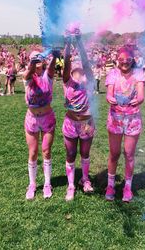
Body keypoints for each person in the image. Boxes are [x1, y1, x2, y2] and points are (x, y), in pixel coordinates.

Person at [105, 47, 145, 202]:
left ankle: (127, 187)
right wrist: (109, 97)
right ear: (117, 60)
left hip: (132, 119)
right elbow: (109, 92)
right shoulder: (112, 74)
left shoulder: (138, 74)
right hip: (115, 118)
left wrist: (139, 98)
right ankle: (110, 185)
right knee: (114, 153)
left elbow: (141, 92)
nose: (124, 63)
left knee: (129, 154)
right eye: (121, 60)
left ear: (132, 60)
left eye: (128, 60)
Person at [62, 29, 95, 201]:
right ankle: (71, 185)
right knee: (70, 154)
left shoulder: (88, 81)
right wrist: (67, 42)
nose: (79, 70)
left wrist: (80, 41)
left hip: (87, 123)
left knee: (85, 153)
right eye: (76, 69)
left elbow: (86, 61)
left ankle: (85, 179)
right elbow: (66, 61)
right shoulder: (67, 81)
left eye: (81, 69)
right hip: (70, 123)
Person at [23, 48, 58, 200]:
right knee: (33, 152)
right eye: (33, 59)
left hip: (47, 118)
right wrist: (32, 63)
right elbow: (27, 73)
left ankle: (47, 183)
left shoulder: (47, 76)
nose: (37, 61)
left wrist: (55, 56)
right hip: (32, 119)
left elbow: (51, 68)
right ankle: (32, 184)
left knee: (46, 151)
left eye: (39, 58)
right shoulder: (28, 77)